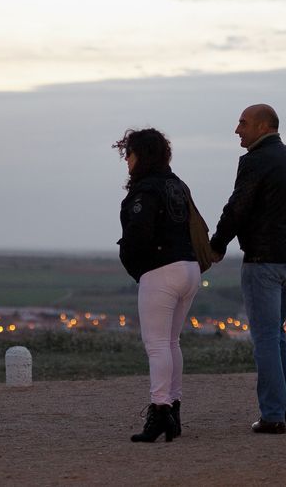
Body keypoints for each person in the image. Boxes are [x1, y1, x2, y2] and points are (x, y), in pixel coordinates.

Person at [210, 104, 286, 434]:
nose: (237, 129)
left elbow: (237, 208)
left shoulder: (255, 161)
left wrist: (217, 244)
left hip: (262, 260)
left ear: (262, 126)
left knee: (264, 338)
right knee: (277, 333)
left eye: (243, 123)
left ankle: (272, 415)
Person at [114, 127, 202, 443]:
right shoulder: (177, 185)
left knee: (156, 344)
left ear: (142, 156)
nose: (127, 161)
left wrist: (134, 264)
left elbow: (138, 236)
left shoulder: (145, 191)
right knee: (171, 342)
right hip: (190, 268)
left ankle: (160, 410)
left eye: (130, 154)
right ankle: (173, 410)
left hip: (161, 271)